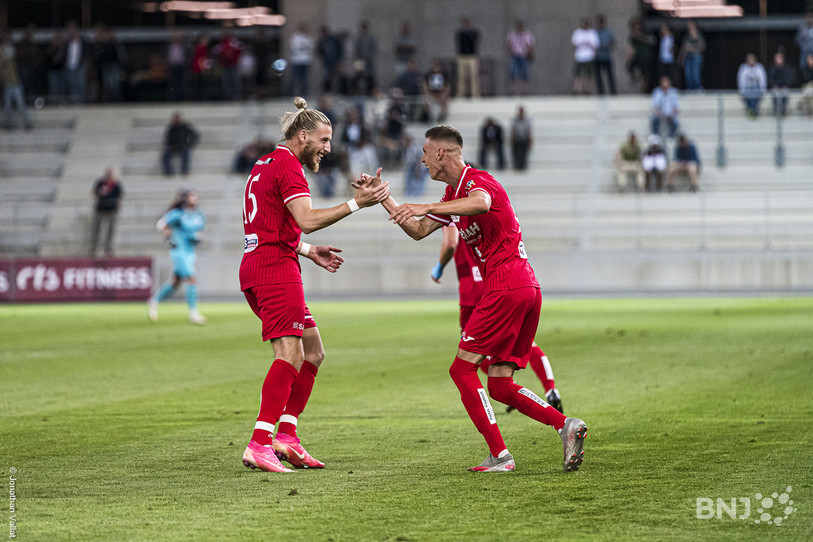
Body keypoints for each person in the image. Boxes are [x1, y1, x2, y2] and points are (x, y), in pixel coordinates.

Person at [358, 125, 588, 473]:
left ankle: (500, 456)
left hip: (506, 284)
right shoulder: (454, 193)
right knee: (498, 382)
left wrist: (426, 204)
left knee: (462, 368)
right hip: (524, 287)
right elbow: (419, 231)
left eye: (425, 152)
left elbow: (482, 203)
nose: (421, 159)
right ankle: (565, 425)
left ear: (441, 153)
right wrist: (383, 198)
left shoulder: (478, 182)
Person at [239, 97, 390, 473]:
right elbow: (305, 218)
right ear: (302, 135)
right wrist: (355, 204)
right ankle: (259, 443)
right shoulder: (289, 165)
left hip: (263, 263)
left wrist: (307, 251)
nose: (327, 148)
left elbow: (274, 225)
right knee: (289, 355)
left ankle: (286, 436)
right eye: (323, 140)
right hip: (275, 270)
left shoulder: (263, 164)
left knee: (313, 351)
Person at [430, 223, 564, 414]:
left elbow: (451, 243)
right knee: (527, 343)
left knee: (470, 351)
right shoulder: (487, 211)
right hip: (498, 282)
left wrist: (439, 267)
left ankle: (507, 388)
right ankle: (550, 388)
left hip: (472, 291)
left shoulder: (455, 212)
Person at [148, 189, 207, 325]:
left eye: (195, 195)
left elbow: (199, 230)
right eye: (191, 196)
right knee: (192, 279)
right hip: (179, 251)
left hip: (190, 251)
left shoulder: (199, 215)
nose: (194, 198)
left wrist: (198, 237)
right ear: (186, 199)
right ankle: (193, 313)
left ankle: (154, 300)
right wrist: (168, 237)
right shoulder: (178, 214)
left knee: (175, 284)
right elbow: (161, 224)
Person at [0, 32, 33, 130]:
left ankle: (27, 122)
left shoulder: (10, 54)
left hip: (15, 83)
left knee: (20, 104)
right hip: (7, 84)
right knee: (7, 106)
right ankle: (9, 124)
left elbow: (9, 54)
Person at [89, 167, 123, 258]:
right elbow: (94, 192)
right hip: (100, 209)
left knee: (110, 232)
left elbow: (120, 196)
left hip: (111, 210)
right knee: (96, 231)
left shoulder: (115, 184)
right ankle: (93, 250)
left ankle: (107, 250)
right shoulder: (101, 183)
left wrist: (117, 206)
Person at [626, 16, 656, 94]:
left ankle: (642, 91)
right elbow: (631, 48)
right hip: (637, 56)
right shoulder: (633, 37)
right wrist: (628, 57)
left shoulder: (645, 33)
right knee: (629, 67)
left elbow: (651, 41)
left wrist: (640, 36)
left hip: (646, 56)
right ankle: (635, 79)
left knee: (645, 75)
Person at [506, 21, 535, 96]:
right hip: (515, 55)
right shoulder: (512, 35)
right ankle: (512, 91)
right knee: (512, 74)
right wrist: (510, 52)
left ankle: (525, 91)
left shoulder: (527, 35)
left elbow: (530, 45)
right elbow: (509, 44)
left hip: (524, 56)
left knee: (525, 74)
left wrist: (530, 54)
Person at [571, 17, 599, 95]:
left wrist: (594, 54)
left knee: (589, 74)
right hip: (579, 57)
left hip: (589, 57)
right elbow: (575, 44)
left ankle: (587, 89)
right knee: (577, 74)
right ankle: (577, 88)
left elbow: (595, 45)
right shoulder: (577, 32)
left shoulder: (592, 33)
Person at [455, 17, 480, 98]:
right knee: (461, 77)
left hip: (472, 56)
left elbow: (475, 38)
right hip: (462, 56)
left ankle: (475, 94)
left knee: (474, 76)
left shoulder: (474, 32)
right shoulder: (460, 32)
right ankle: (461, 94)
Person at [737, 53, 767, 119]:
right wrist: (741, 91)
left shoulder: (759, 67)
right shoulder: (743, 67)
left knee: (756, 95)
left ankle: (754, 110)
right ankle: (751, 110)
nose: (751, 61)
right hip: (747, 87)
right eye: (749, 60)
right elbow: (741, 80)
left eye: (752, 59)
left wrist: (763, 90)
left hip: (756, 87)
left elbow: (762, 79)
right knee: (748, 95)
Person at [316, 25, 344, 94]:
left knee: (335, 78)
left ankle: (336, 92)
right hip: (326, 62)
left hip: (334, 62)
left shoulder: (334, 39)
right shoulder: (322, 41)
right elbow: (318, 51)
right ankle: (327, 91)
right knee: (326, 77)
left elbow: (340, 50)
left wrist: (339, 61)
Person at [678, 19, 705, 91]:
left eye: (690, 24)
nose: (688, 26)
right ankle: (690, 88)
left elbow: (702, 46)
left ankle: (698, 87)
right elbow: (684, 48)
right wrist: (681, 58)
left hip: (696, 56)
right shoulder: (686, 36)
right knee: (688, 74)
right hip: (688, 56)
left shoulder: (699, 35)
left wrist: (691, 48)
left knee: (695, 73)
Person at [288, 24, 314, 97]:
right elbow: (294, 48)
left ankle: (304, 94)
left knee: (305, 80)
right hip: (296, 61)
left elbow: (310, 49)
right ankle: (290, 94)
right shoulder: (295, 37)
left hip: (305, 61)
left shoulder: (309, 38)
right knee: (294, 79)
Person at [594, 14, 617, 95]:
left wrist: (606, 45)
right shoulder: (595, 33)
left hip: (607, 57)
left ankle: (613, 92)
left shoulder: (608, 32)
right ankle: (601, 93)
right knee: (599, 77)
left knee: (610, 76)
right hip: (598, 57)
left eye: (602, 22)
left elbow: (612, 43)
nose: (601, 24)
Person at [423, 58, 450, 123]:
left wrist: (444, 94)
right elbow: (424, 85)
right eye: (435, 65)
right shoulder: (428, 74)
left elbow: (448, 85)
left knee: (445, 102)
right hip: (431, 93)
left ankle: (441, 117)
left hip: (441, 93)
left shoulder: (444, 74)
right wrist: (428, 94)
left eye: (438, 65)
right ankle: (427, 117)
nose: (436, 67)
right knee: (426, 102)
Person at [768, 51, 794, 117]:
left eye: (780, 58)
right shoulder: (772, 68)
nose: (778, 59)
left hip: (784, 87)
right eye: (777, 58)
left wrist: (786, 85)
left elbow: (790, 77)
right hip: (776, 87)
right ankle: (776, 111)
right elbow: (770, 78)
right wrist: (774, 85)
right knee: (775, 95)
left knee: (784, 94)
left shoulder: (787, 68)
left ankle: (783, 110)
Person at [354, 20, 377, 87]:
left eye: (365, 27)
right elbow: (357, 50)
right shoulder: (358, 38)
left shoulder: (371, 38)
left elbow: (374, 49)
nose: (364, 29)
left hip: (369, 60)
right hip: (360, 61)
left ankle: (371, 88)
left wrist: (371, 57)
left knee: (371, 76)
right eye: (363, 27)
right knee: (359, 76)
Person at [509, 106, 532, 171]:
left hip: (524, 139)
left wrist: (530, 142)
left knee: (524, 154)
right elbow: (513, 131)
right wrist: (511, 141)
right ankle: (516, 166)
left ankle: (523, 167)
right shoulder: (514, 120)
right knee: (516, 153)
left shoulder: (527, 120)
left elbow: (529, 131)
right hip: (517, 139)